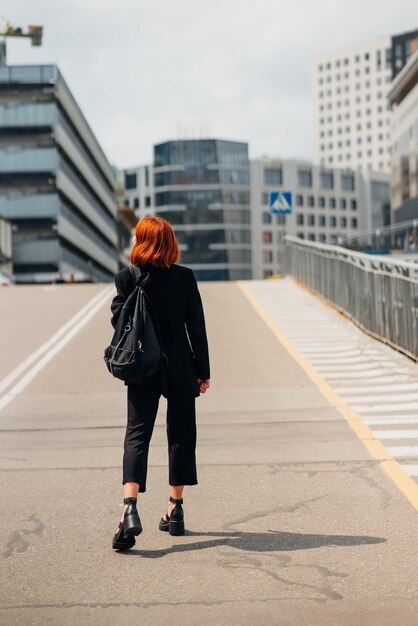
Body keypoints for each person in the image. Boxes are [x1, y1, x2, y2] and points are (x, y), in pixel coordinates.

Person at [110, 216, 210, 551]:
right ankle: (175, 509)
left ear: (140, 241)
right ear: (170, 242)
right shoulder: (185, 278)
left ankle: (129, 508)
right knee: (181, 435)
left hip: (143, 363)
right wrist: (203, 371)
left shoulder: (128, 278)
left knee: (137, 433)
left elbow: (119, 321)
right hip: (181, 366)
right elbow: (196, 328)